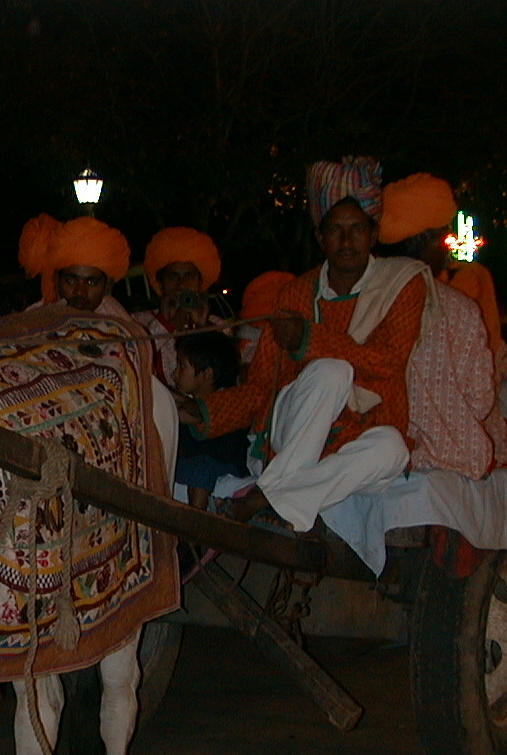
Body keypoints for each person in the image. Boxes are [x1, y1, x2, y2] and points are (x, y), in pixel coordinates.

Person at [178, 156, 426, 533]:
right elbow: (261, 386)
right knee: (331, 370)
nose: (346, 241)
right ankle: (281, 492)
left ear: (373, 235)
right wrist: (204, 411)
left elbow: (389, 362)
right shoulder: (296, 294)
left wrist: (309, 339)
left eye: (357, 229)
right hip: (294, 436)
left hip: (358, 437)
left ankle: (271, 498)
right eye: (335, 230)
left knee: (393, 448)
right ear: (319, 236)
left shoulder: (402, 286)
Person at [378, 172, 507, 474]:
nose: (448, 246)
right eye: (444, 235)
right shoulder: (459, 309)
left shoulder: (361, 293)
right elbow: (480, 402)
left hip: (379, 447)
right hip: (451, 453)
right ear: (428, 239)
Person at [131, 227, 223, 382]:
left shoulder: (218, 326)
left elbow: (223, 372)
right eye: (173, 277)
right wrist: (166, 324)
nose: (181, 284)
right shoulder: (138, 322)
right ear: (160, 284)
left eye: (188, 276)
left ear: (200, 283)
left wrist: (204, 328)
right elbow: (133, 359)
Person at [172, 330, 247, 509]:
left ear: (206, 375)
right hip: (186, 467)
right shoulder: (184, 398)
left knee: (201, 467)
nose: (174, 373)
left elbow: (189, 413)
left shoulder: (228, 402)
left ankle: (197, 525)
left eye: (182, 366)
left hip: (224, 469)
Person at [17, 213, 132, 320]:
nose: (80, 292)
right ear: (56, 280)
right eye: (70, 281)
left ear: (107, 286)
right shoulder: (33, 322)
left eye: (91, 283)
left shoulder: (120, 324)